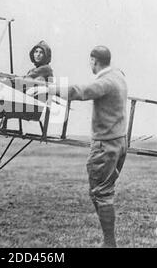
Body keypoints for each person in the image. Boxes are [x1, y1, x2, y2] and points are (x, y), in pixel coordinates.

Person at [28, 45, 128, 248]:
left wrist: (48, 89)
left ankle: (110, 244)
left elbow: (82, 91)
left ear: (93, 61)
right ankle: (109, 242)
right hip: (119, 141)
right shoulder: (118, 75)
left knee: (101, 193)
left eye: (90, 62)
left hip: (105, 146)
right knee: (102, 191)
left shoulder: (107, 81)